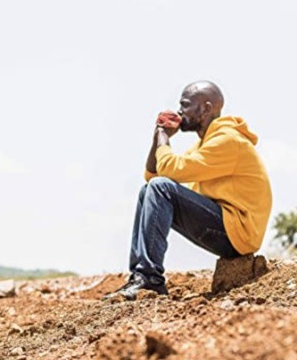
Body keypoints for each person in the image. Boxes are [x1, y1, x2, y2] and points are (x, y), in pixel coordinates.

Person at [106, 81, 272, 300]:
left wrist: (165, 137)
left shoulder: (228, 141)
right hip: (226, 227)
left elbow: (165, 173)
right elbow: (153, 174)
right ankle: (139, 277)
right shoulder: (205, 144)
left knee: (159, 189)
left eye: (185, 105)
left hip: (238, 234)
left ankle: (150, 279)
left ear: (205, 108)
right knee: (148, 190)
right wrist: (158, 136)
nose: (179, 111)